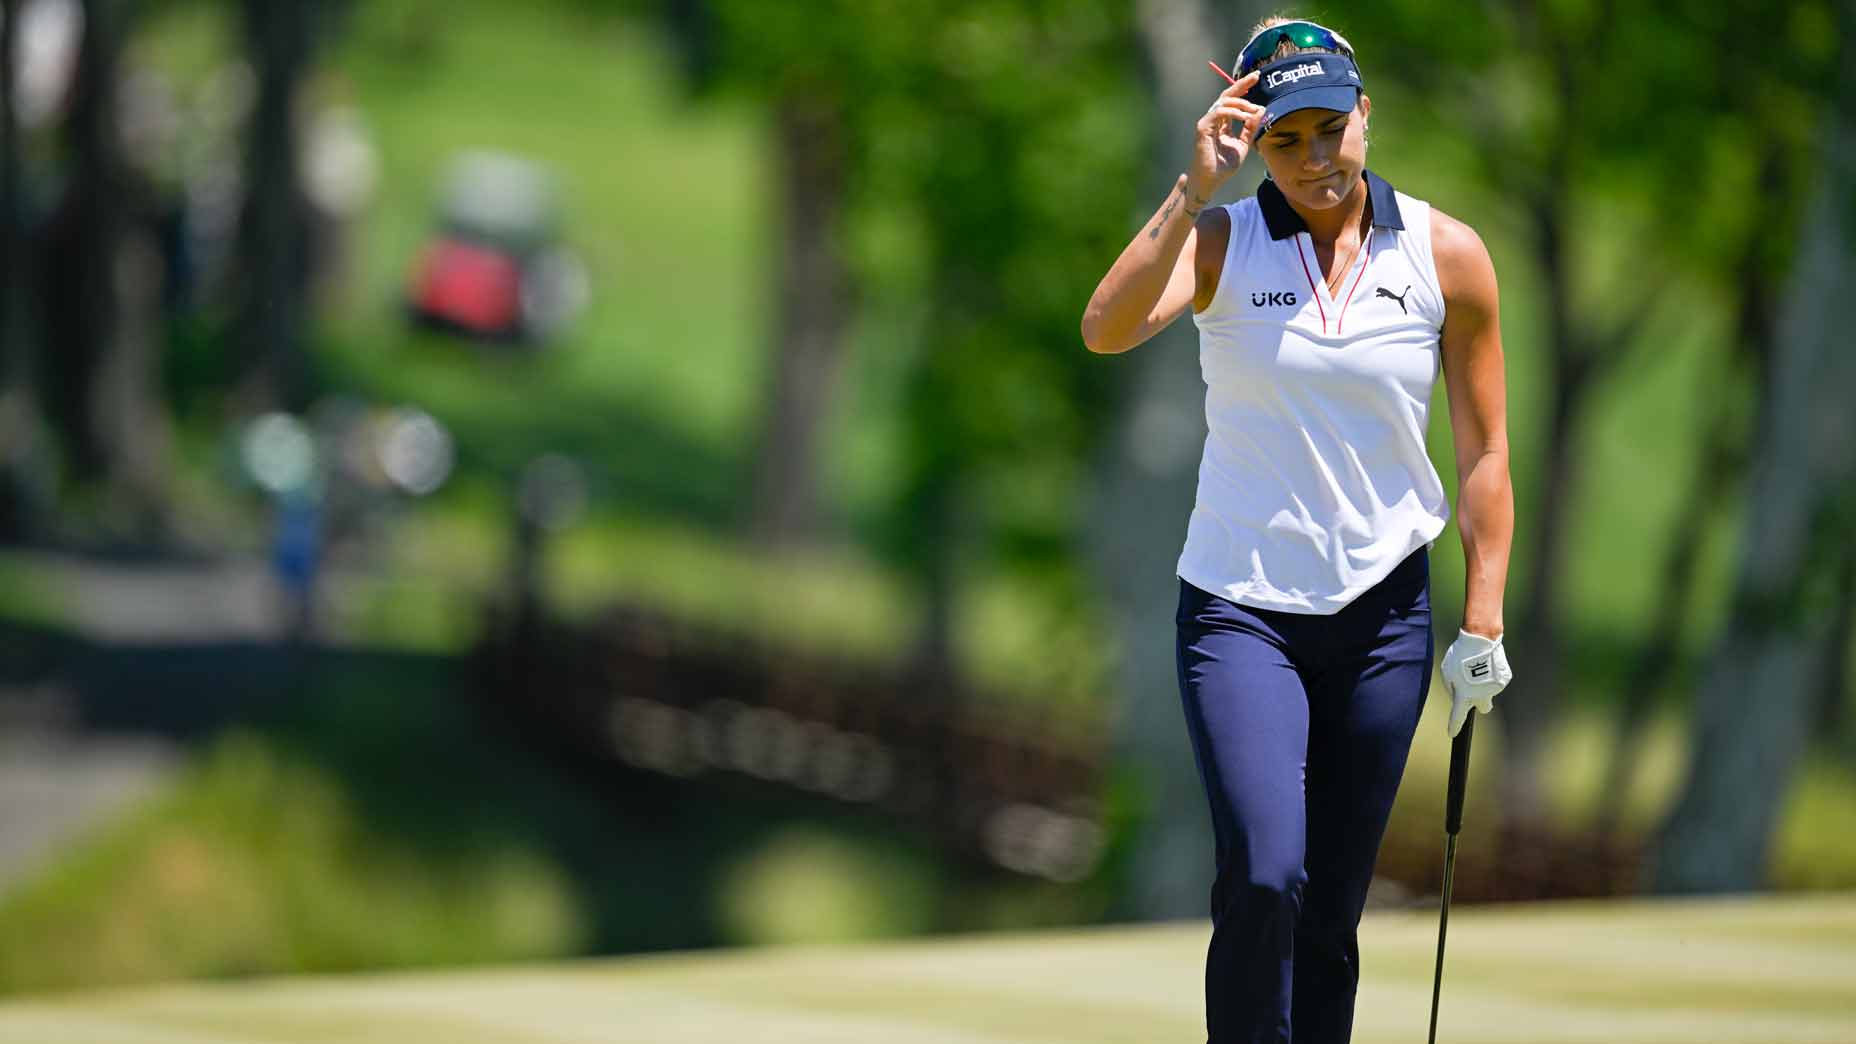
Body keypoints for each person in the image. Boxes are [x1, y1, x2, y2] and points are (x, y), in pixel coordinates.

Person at [1080, 16, 1516, 1044]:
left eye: (1329, 129)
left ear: (1364, 115)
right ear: (1255, 143)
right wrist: (1193, 186)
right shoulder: (1221, 242)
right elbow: (1103, 328)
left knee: (1329, 915)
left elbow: (1485, 452)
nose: (1314, 160)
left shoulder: (1444, 256)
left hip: (1384, 621)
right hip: (1239, 615)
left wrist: (1482, 619)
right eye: (1285, 141)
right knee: (1266, 873)